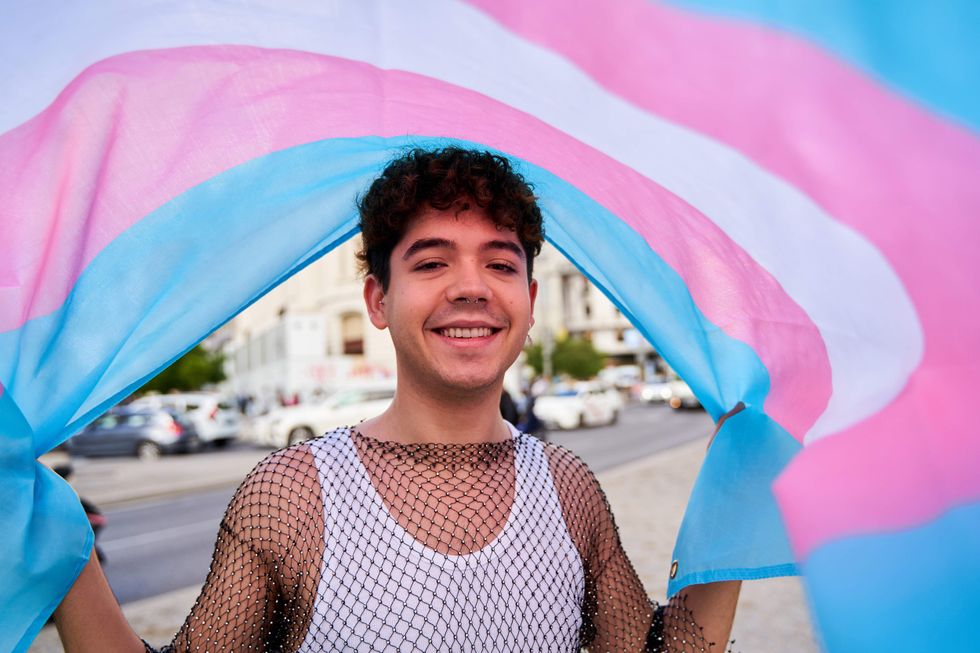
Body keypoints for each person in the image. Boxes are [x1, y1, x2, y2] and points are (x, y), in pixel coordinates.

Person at [53, 148, 741, 652]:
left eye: (500, 263)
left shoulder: (569, 489)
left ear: (530, 303)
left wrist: (737, 484)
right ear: (378, 300)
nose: (471, 286)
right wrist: (65, 551)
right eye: (432, 260)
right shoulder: (293, 496)